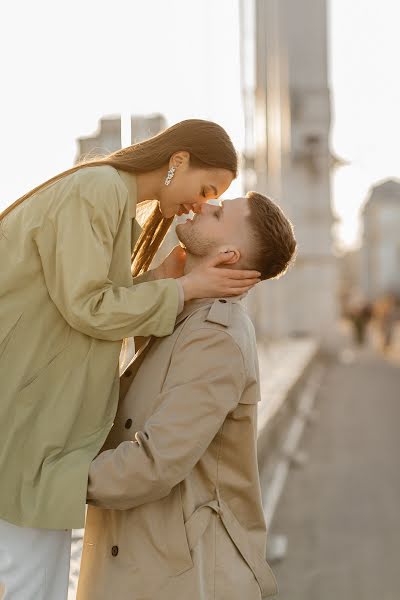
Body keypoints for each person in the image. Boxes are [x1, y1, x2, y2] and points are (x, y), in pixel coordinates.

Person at [0, 120, 262, 600]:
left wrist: (160, 282)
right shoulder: (97, 190)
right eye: (206, 189)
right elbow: (88, 308)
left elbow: (81, 307)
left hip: (32, 419)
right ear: (177, 160)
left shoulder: (113, 201)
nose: (201, 205)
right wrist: (183, 289)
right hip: (23, 418)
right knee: (30, 586)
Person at [76, 192, 297, 600]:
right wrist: (168, 279)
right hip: (149, 561)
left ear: (229, 253)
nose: (202, 205)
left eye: (217, 213)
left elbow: (154, 463)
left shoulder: (214, 337)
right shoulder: (186, 313)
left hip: (178, 577)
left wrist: (51, 478)